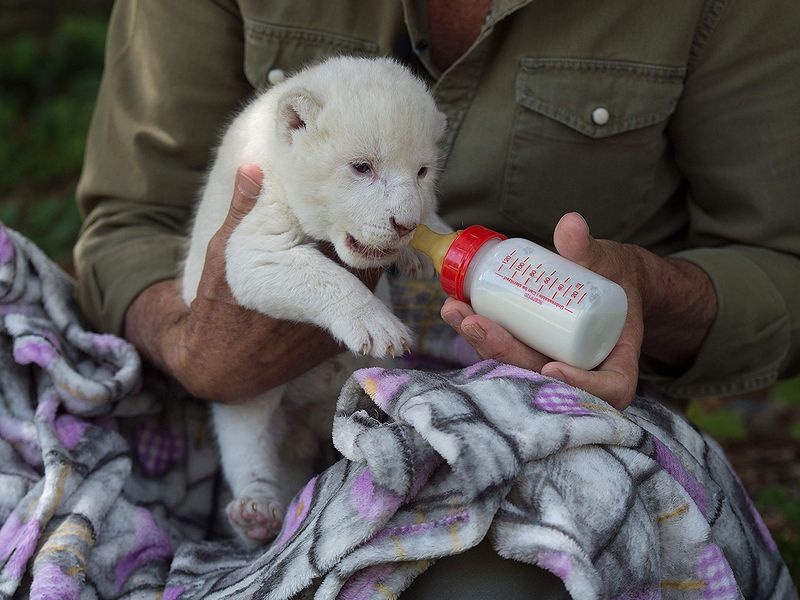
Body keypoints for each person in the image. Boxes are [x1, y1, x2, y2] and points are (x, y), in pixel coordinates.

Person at [73, 0, 800, 596]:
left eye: (423, 172)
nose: (402, 211)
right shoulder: (293, 129)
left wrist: (658, 295)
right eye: (363, 167)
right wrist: (191, 344)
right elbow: (130, 221)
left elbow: (781, 255)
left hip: (551, 419)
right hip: (228, 413)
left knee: (489, 580)